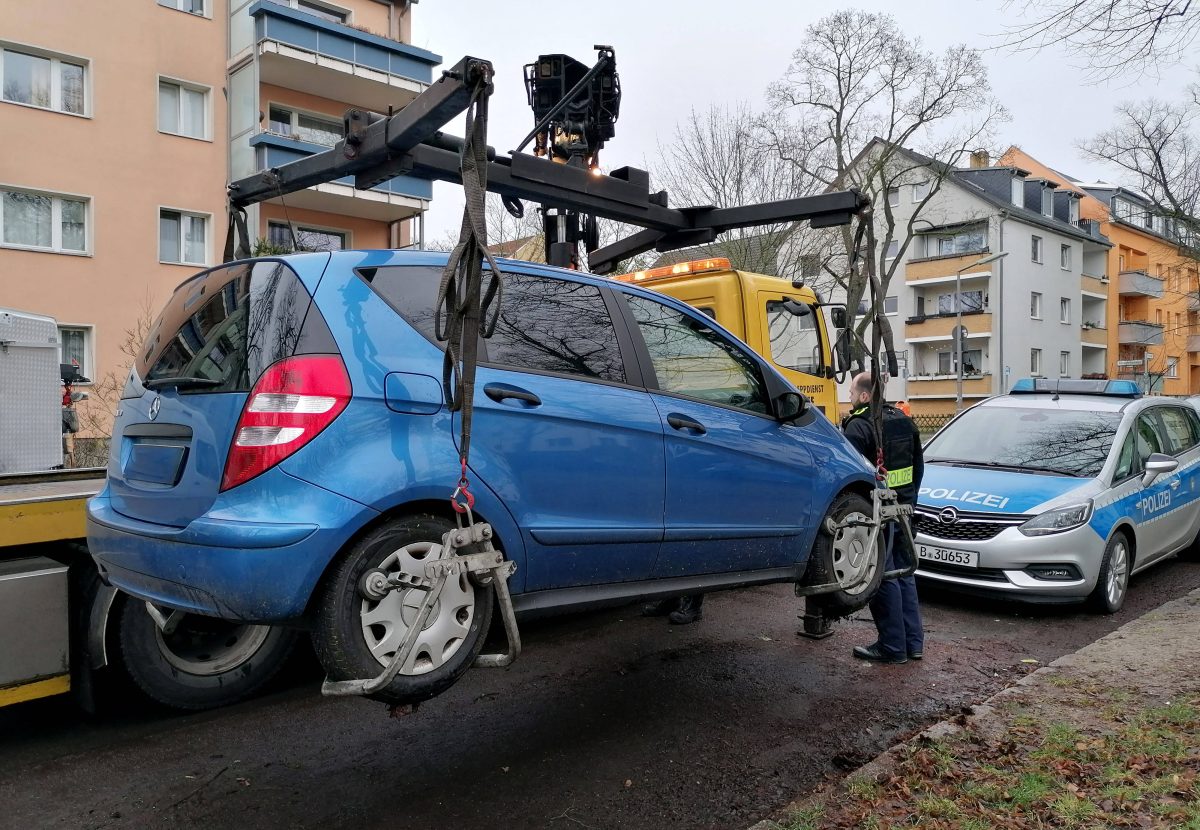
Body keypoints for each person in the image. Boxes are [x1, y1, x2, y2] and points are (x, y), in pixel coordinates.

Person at [841, 372, 924, 664]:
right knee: (904, 573)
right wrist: (909, 499)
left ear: (865, 396)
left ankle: (892, 646)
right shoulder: (903, 419)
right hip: (905, 508)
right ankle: (913, 644)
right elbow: (918, 467)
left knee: (882, 575)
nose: (849, 397)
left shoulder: (859, 426)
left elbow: (849, 474)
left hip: (877, 512)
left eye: (851, 392)